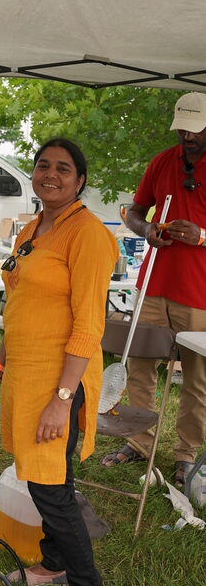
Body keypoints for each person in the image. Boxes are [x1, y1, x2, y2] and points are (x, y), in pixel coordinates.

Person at [0, 138, 118, 586]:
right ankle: (53, 564)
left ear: (80, 180)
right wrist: (5, 356)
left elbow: (89, 325)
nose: (51, 174)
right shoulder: (34, 227)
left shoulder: (88, 235)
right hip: (26, 373)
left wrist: (63, 398)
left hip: (59, 379)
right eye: (43, 165)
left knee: (51, 491)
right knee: (44, 477)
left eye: (63, 168)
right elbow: (20, 294)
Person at [101, 92, 206, 488]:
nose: (187, 136)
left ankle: (185, 454)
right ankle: (139, 442)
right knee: (140, 366)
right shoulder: (162, 161)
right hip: (154, 283)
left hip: (199, 292)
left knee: (196, 378)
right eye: (182, 129)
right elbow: (133, 212)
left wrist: (202, 235)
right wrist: (147, 229)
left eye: (195, 130)